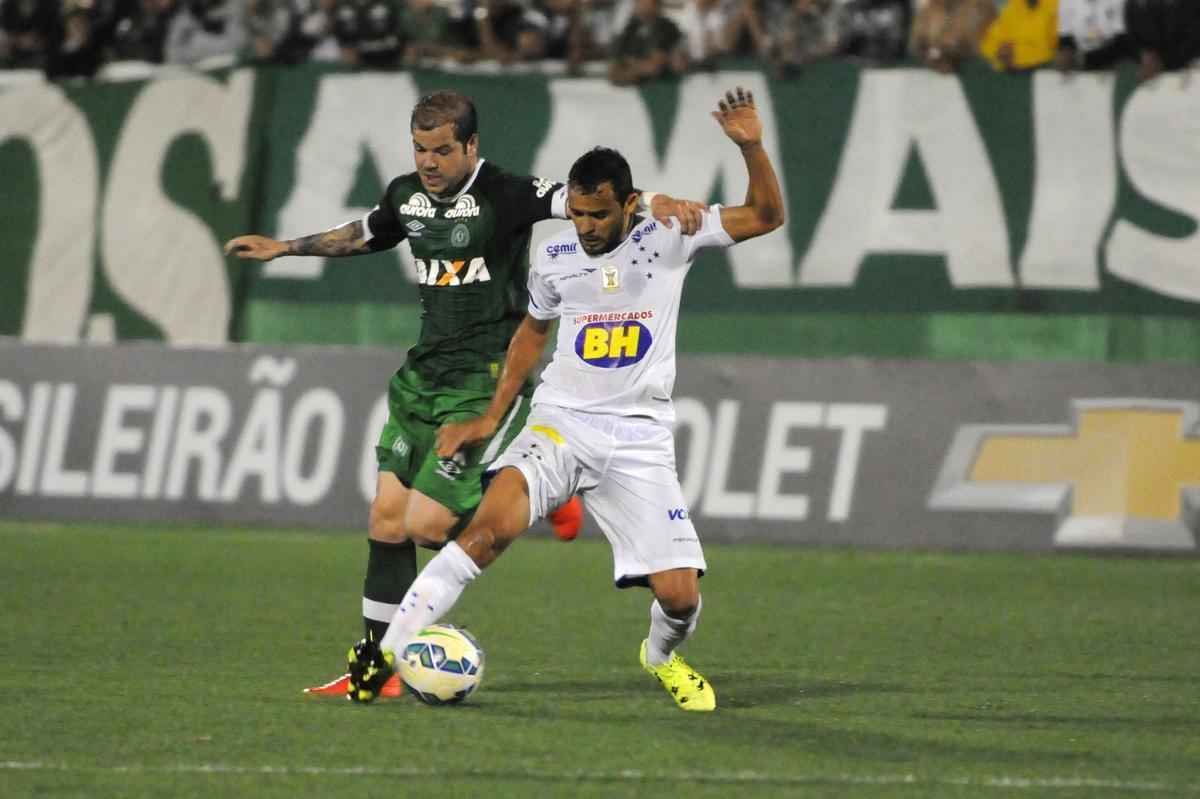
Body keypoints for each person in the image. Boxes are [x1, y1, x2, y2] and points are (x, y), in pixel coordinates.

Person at [224, 90, 703, 698]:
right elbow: (367, 233)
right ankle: (378, 669)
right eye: (421, 148)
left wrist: (662, 202)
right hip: (423, 377)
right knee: (386, 520)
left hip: (484, 381)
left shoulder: (505, 193)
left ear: (470, 146)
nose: (429, 161)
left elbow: (580, 196)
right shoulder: (408, 196)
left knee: (427, 526)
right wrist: (284, 247)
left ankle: (546, 495)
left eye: (442, 149)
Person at [345, 86, 785, 712]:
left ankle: (661, 656)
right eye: (576, 215)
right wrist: (490, 417)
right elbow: (532, 331)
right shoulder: (552, 254)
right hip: (560, 424)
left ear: (630, 204)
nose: (585, 228)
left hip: (638, 435)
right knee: (484, 534)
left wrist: (752, 147)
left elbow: (766, 216)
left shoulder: (671, 234)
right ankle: (389, 649)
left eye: (599, 216)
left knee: (680, 596)